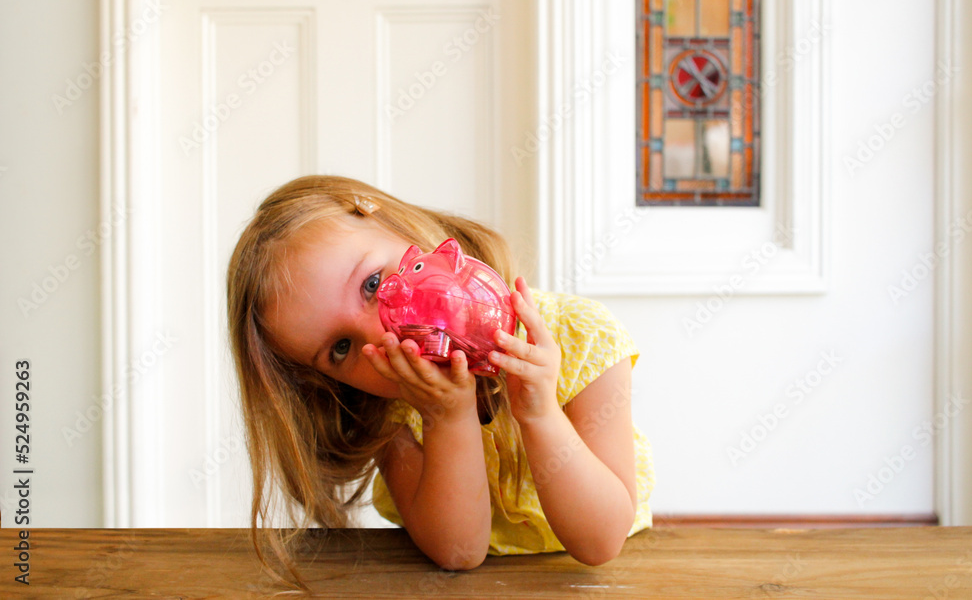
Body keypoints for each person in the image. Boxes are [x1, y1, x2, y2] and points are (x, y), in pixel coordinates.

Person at [227, 175, 654, 589]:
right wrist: (447, 417)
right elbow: (459, 552)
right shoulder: (387, 410)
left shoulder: (580, 337)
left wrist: (540, 415)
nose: (383, 335)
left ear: (393, 222)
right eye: (341, 348)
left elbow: (600, 543)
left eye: (373, 284)